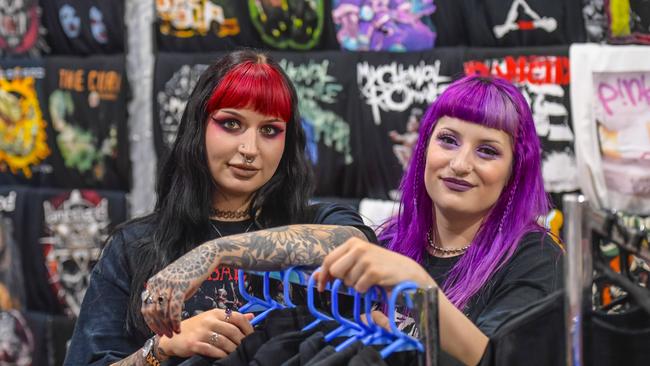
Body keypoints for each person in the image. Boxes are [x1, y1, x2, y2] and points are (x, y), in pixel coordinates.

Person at [64, 50, 376, 366]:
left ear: (288, 140)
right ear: (198, 128)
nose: (250, 149)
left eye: (269, 130)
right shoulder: (135, 246)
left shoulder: (318, 223)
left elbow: (357, 248)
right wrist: (161, 349)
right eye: (231, 123)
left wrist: (213, 253)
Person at [316, 75, 564, 365]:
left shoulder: (537, 259)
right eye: (448, 140)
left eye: (487, 151)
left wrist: (418, 286)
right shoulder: (387, 243)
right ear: (424, 149)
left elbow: (505, 360)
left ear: (513, 171)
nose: (459, 165)